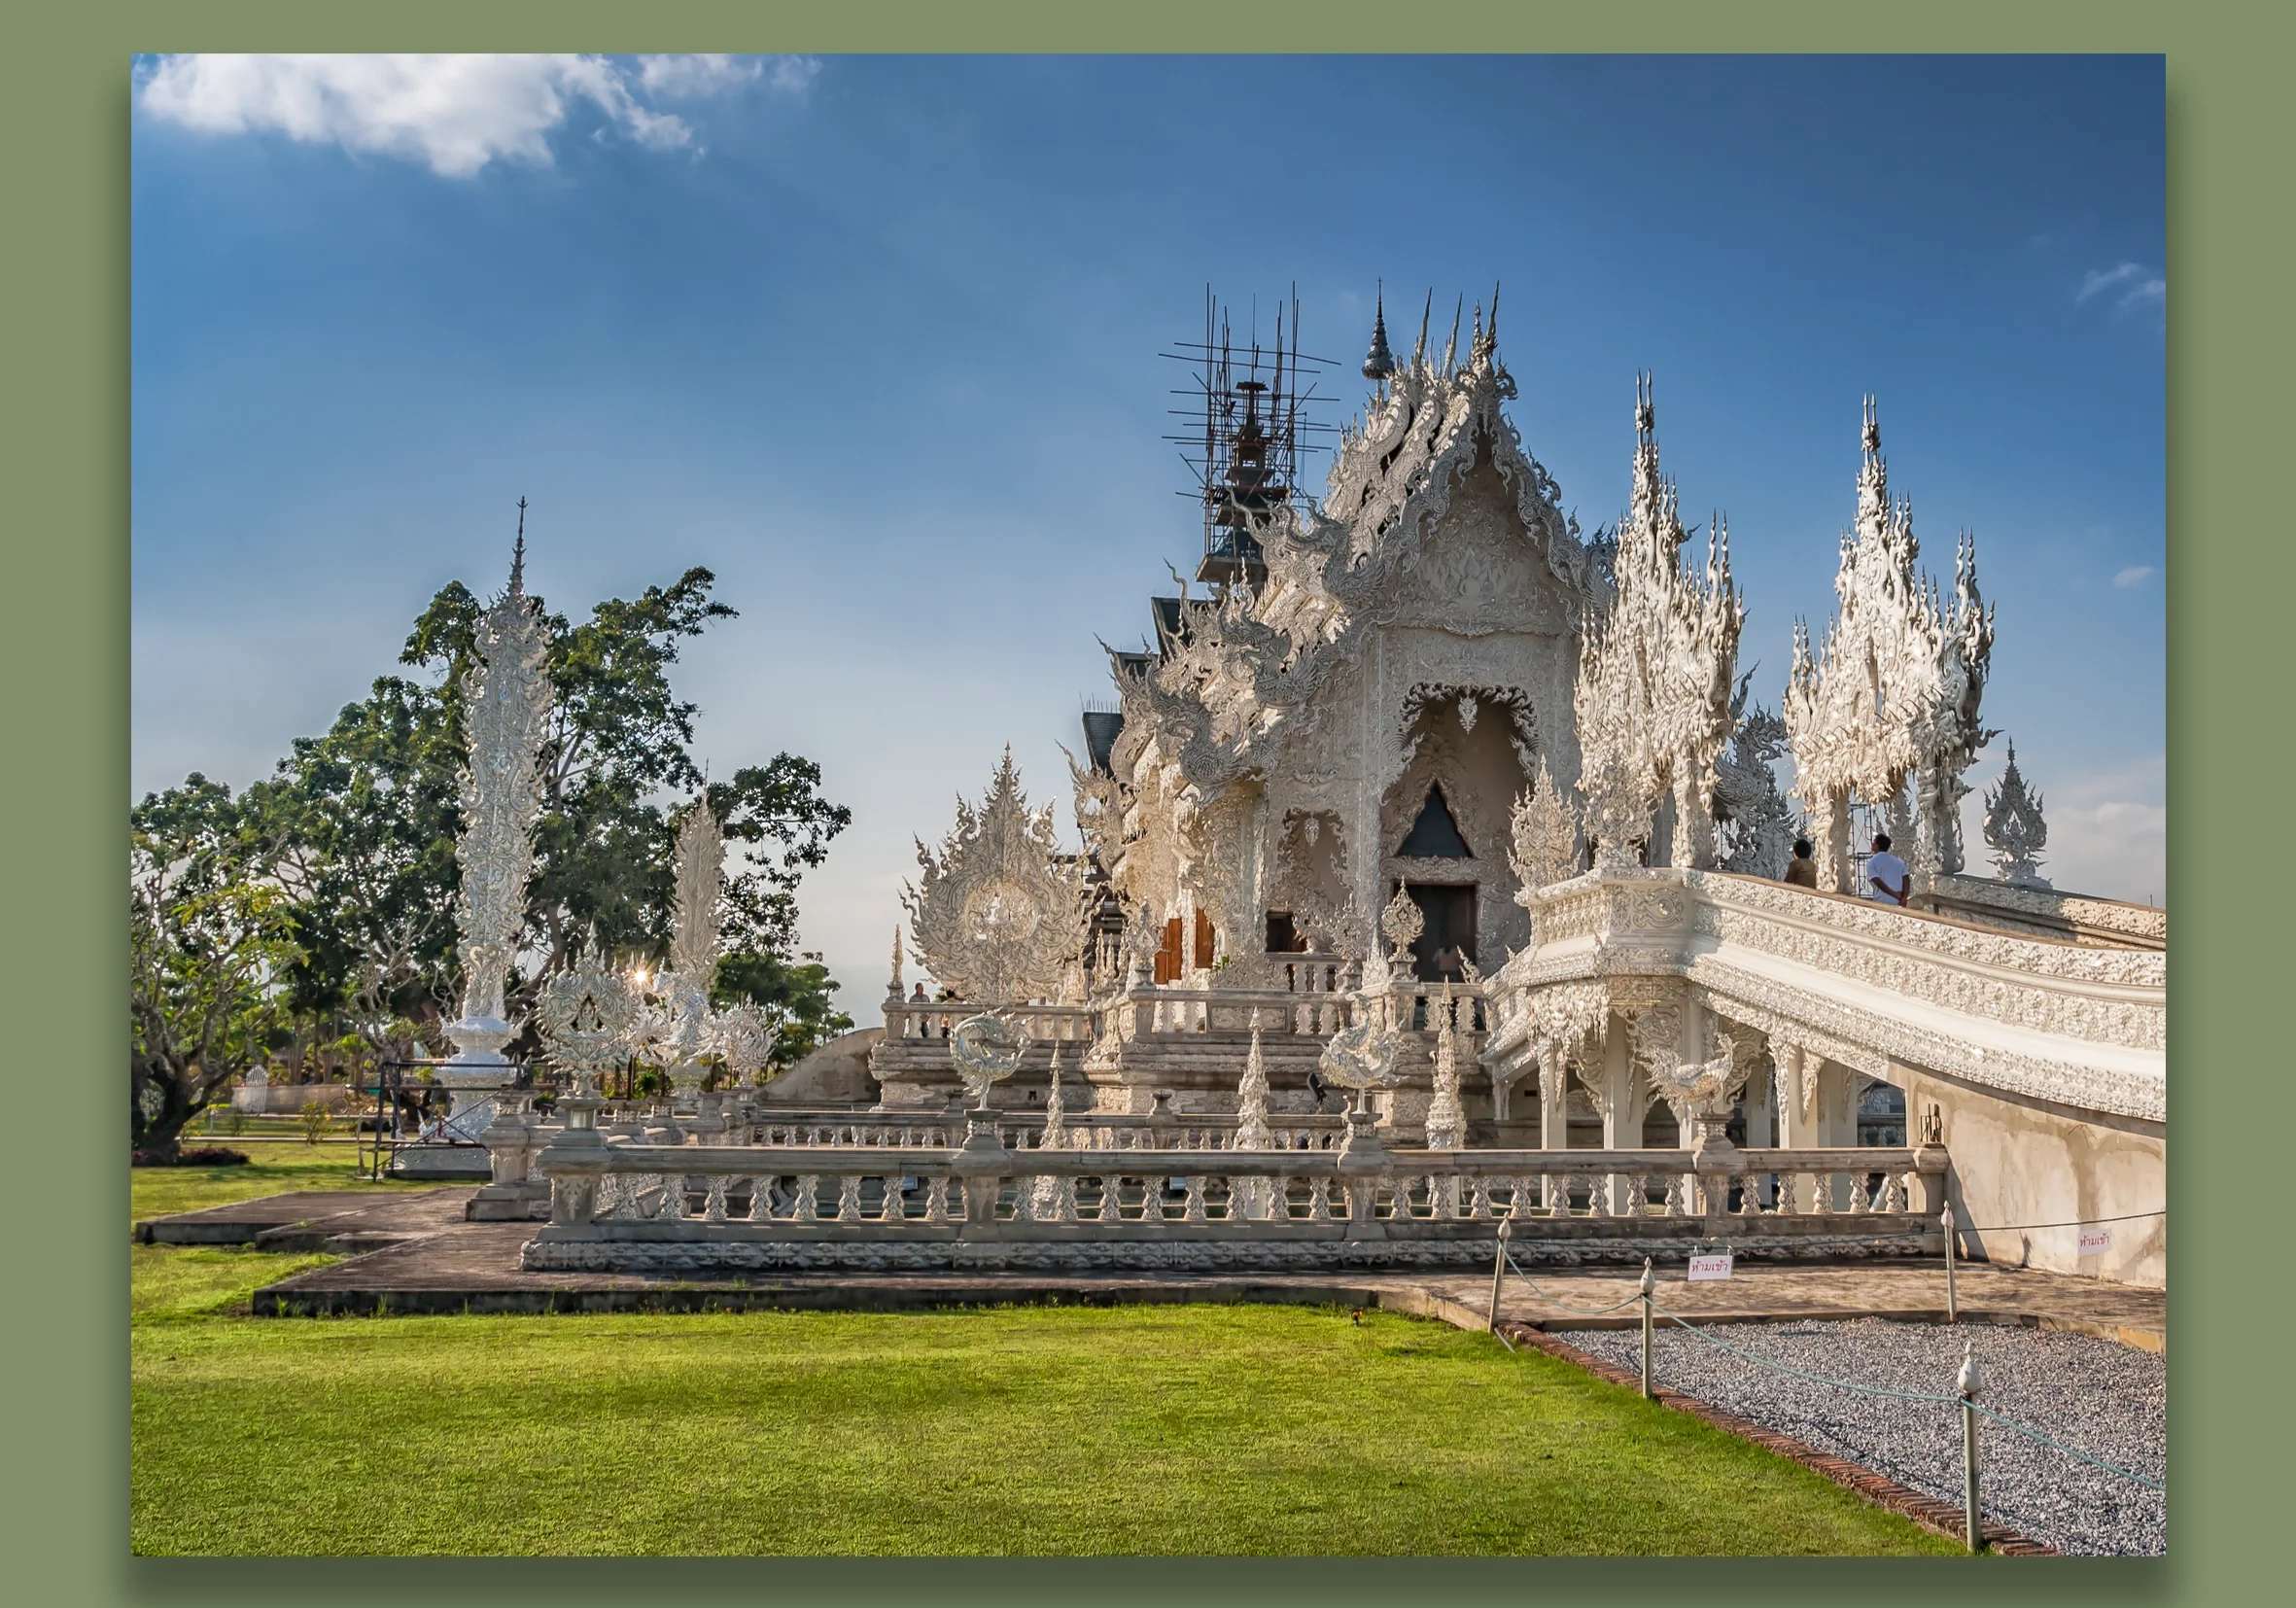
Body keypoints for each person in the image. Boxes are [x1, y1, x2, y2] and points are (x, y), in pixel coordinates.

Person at [1865, 832, 1910, 907]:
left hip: (1881, 900)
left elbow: (1877, 881)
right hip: (1898, 902)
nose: (1872, 844)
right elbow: (1906, 880)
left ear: (1877, 845)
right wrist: (1904, 897)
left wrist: (1894, 894)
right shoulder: (1899, 862)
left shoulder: (1872, 862)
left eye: (1874, 842)